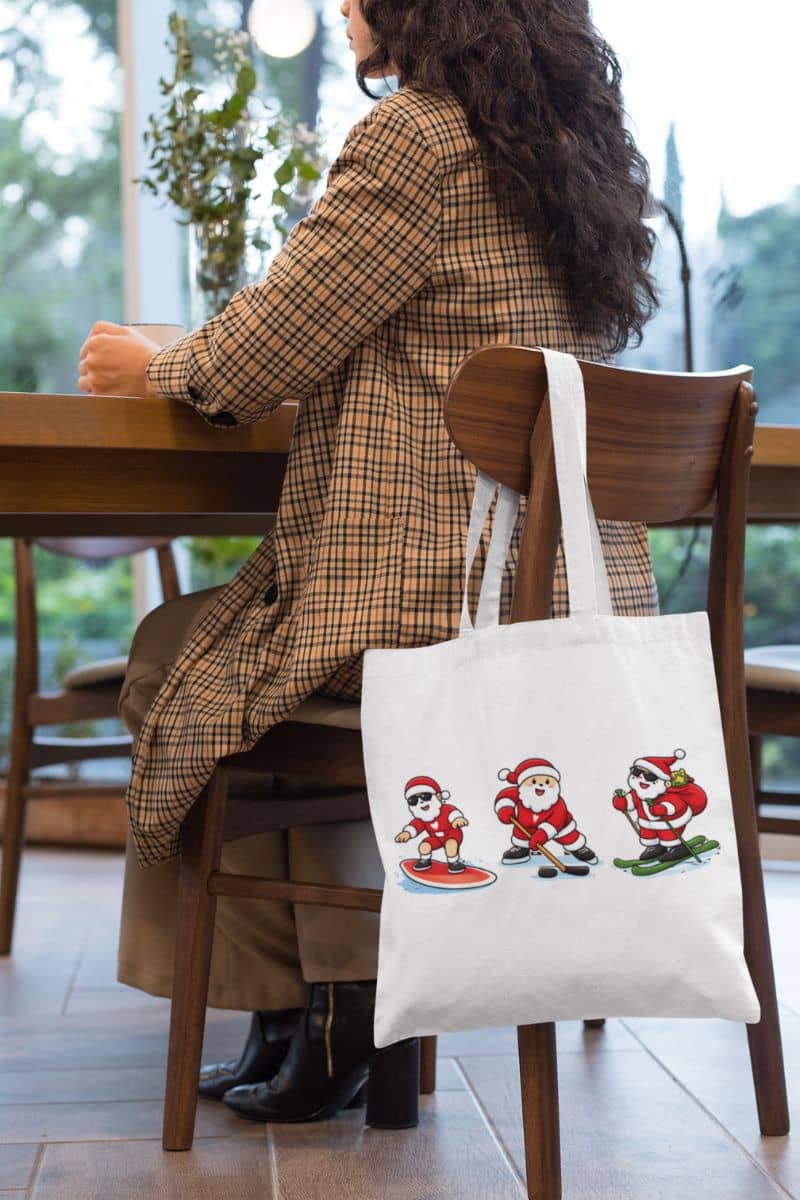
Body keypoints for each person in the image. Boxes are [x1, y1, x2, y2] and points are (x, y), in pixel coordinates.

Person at [78, 0, 659, 1126]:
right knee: (258, 654)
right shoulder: (561, 156)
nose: (341, 5)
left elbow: (258, 355)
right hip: (550, 602)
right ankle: (328, 1014)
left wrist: (159, 362)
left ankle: (310, 1001)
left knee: (179, 653)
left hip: (428, 594)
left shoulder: (415, 135)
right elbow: (407, 341)